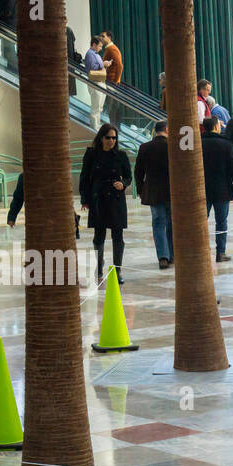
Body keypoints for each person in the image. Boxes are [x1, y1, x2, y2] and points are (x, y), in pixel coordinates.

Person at [79, 123, 131, 282]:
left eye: (114, 138)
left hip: (116, 199)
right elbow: (85, 177)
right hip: (98, 197)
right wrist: (85, 199)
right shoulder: (92, 155)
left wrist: (123, 184)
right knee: (99, 235)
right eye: (108, 137)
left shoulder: (121, 155)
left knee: (118, 235)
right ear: (101, 138)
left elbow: (128, 177)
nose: (111, 141)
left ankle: (117, 270)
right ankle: (99, 267)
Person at [200, 117, 233, 262]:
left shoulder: (198, 143)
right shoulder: (225, 144)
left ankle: (201, 251)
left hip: (202, 189)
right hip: (222, 189)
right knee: (221, 222)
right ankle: (221, 252)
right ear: (216, 127)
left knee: (201, 221)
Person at [134, 121, 173, 269]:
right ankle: (172, 255)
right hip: (171, 191)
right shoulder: (172, 146)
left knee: (158, 223)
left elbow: (138, 171)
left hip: (153, 191)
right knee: (171, 223)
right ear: (167, 129)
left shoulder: (145, 147)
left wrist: (140, 189)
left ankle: (163, 256)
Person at [84, 35, 107, 125]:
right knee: (96, 108)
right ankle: (95, 128)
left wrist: (103, 64)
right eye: (100, 46)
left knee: (99, 108)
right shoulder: (90, 54)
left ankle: (97, 126)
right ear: (94, 44)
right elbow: (93, 68)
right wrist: (103, 64)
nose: (101, 48)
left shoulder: (95, 54)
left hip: (100, 82)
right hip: (95, 83)